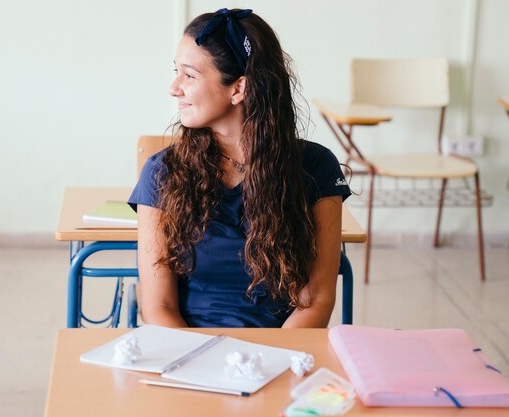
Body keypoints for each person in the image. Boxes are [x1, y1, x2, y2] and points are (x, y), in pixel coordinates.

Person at [128, 8, 350, 328]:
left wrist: (271, 364)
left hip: (281, 353)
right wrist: (198, 367)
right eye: (176, 72)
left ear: (238, 88)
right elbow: (159, 306)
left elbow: (314, 301)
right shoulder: (162, 172)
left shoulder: (317, 168)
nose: (174, 88)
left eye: (189, 75)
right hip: (187, 352)